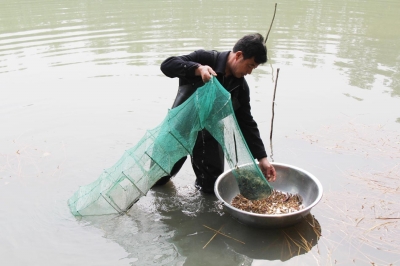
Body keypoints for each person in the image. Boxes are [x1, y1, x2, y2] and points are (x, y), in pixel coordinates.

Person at [156, 33, 276, 193]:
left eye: (254, 68)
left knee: (211, 188)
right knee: (158, 180)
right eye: (250, 65)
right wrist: (198, 69)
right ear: (239, 55)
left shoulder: (240, 87)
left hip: (209, 137)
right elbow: (167, 65)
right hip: (179, 130)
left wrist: (262, 158)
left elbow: (247, 123)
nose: (250, 72)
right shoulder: (205, 58)